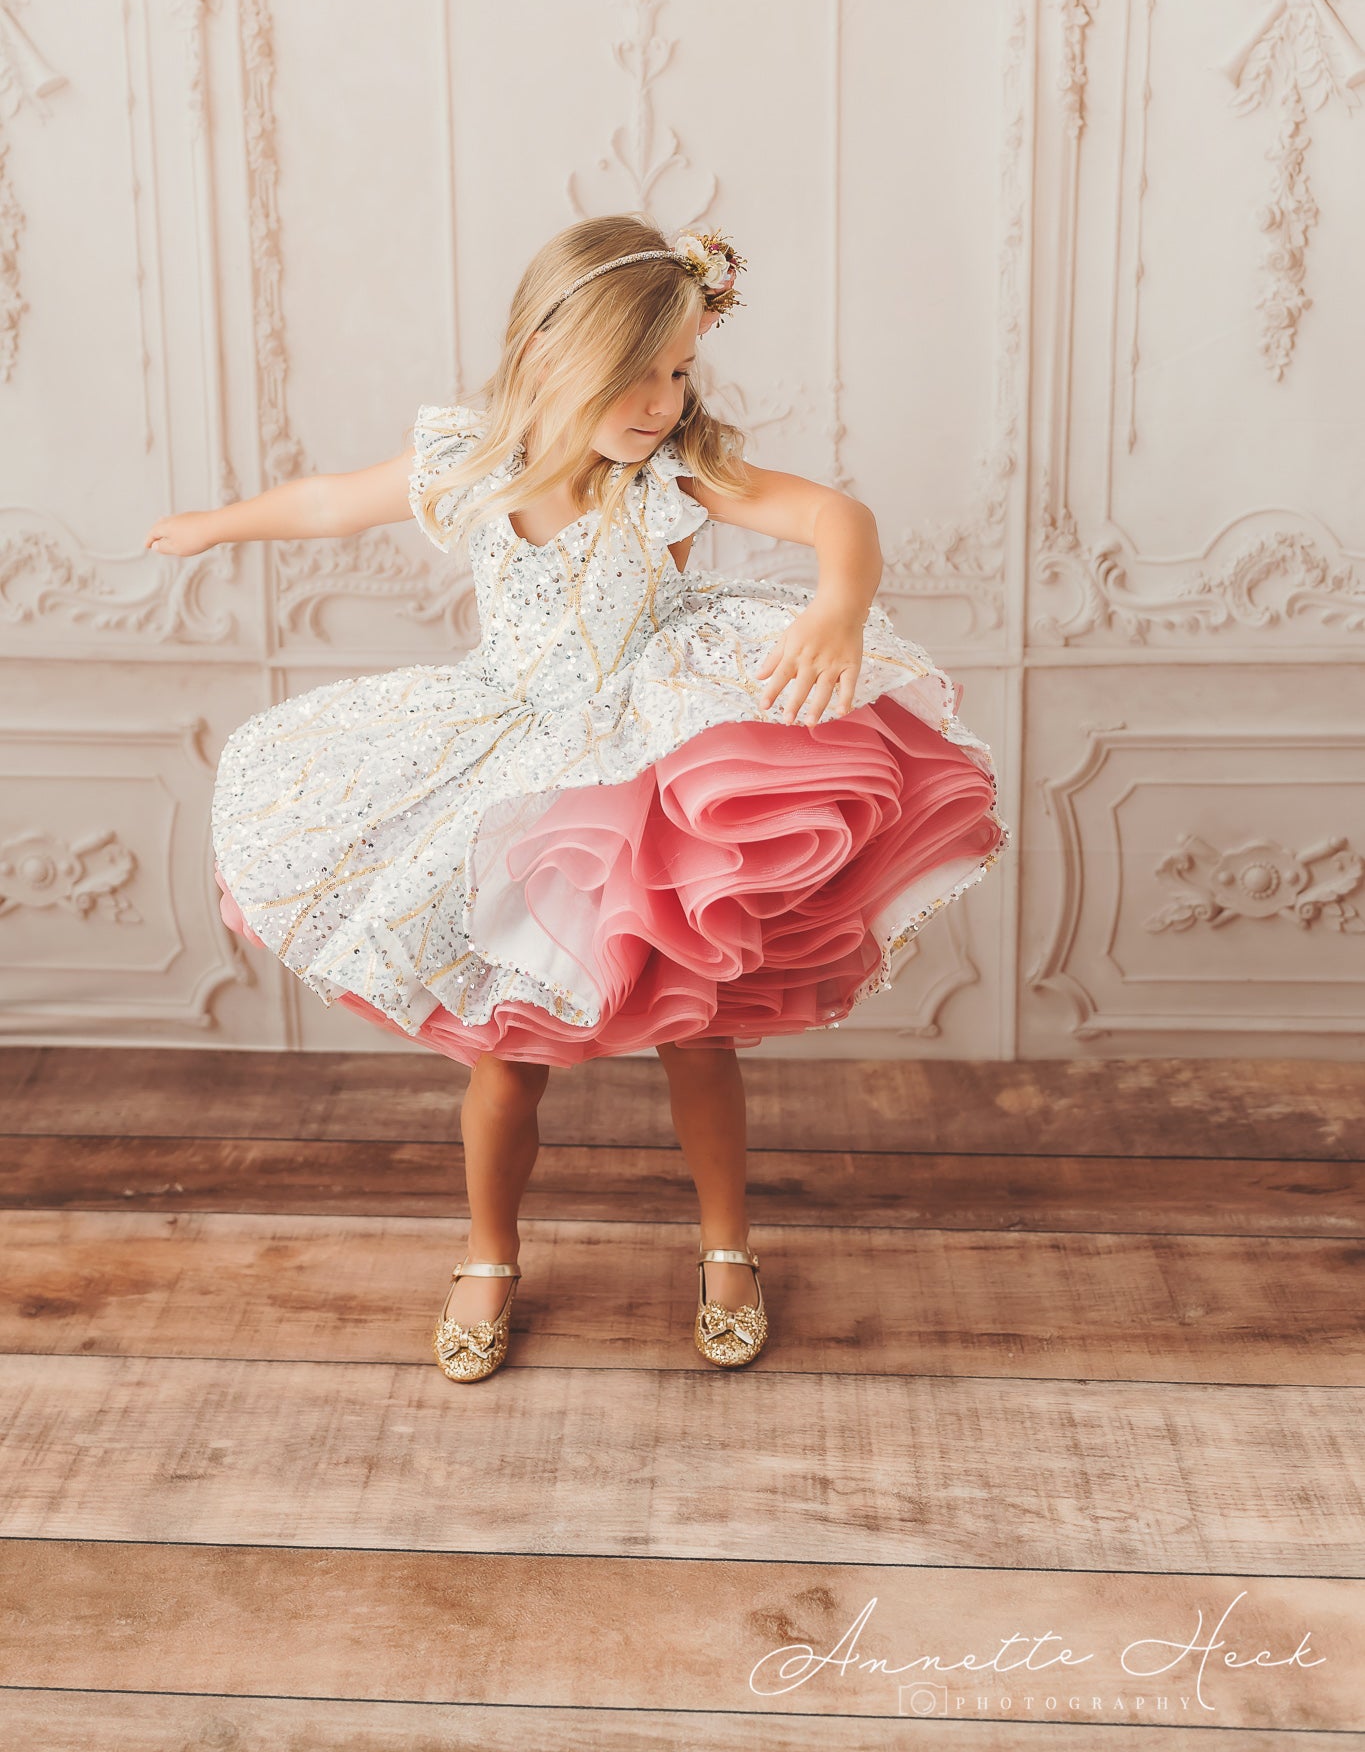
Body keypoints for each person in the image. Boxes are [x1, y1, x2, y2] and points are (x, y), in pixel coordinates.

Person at [146, 214, 1010, 1384]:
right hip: (516, 762)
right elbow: (327, 505)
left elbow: (833, 518)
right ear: (550, 350)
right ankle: (490, 1253)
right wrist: (214, 524)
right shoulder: (469, 461)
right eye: (637, 370)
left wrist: (837, 607)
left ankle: (726, 1245)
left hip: (654, 765)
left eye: (680, 369)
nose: (663, 398)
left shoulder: (675, 472)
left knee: (700, 1036)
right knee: (507, 1050)